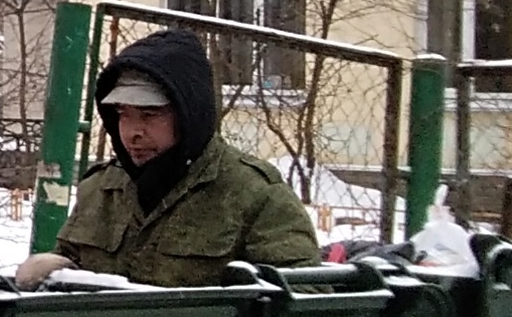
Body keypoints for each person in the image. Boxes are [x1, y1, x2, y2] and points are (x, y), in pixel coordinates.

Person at [16, 26, 320, 290]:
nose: (133, 132)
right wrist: (52, 269)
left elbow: (303, 300)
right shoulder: (102, 188)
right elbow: (69, 268)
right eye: (123, 114)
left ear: (188, 115)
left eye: (149, 114)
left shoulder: (254, 194)